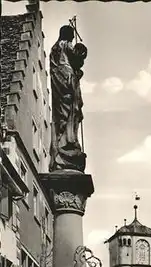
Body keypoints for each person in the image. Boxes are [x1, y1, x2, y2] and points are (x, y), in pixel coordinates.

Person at [49, 25, 87, 171]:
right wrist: (82, 51)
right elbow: (77, 59)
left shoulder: (54, 48)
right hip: (67, 79)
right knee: (72, 111)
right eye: (71, 35)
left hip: (58, 83)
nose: (72, 37)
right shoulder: (66, 44)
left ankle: (62, 142)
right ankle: (69, 141)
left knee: (62, 115)